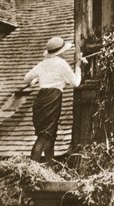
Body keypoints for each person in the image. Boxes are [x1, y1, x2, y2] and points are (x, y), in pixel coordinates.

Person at [24, 36, 82, 166]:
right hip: (53, 100)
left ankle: (51, 169)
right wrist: (78, 66)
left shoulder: (43, 64)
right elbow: (76, 83)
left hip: (41, 100)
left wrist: (38, 78)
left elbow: (26, 78)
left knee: (50, 136)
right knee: (44, 136)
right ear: (61, 52)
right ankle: (31, 170)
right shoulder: (62, 64)